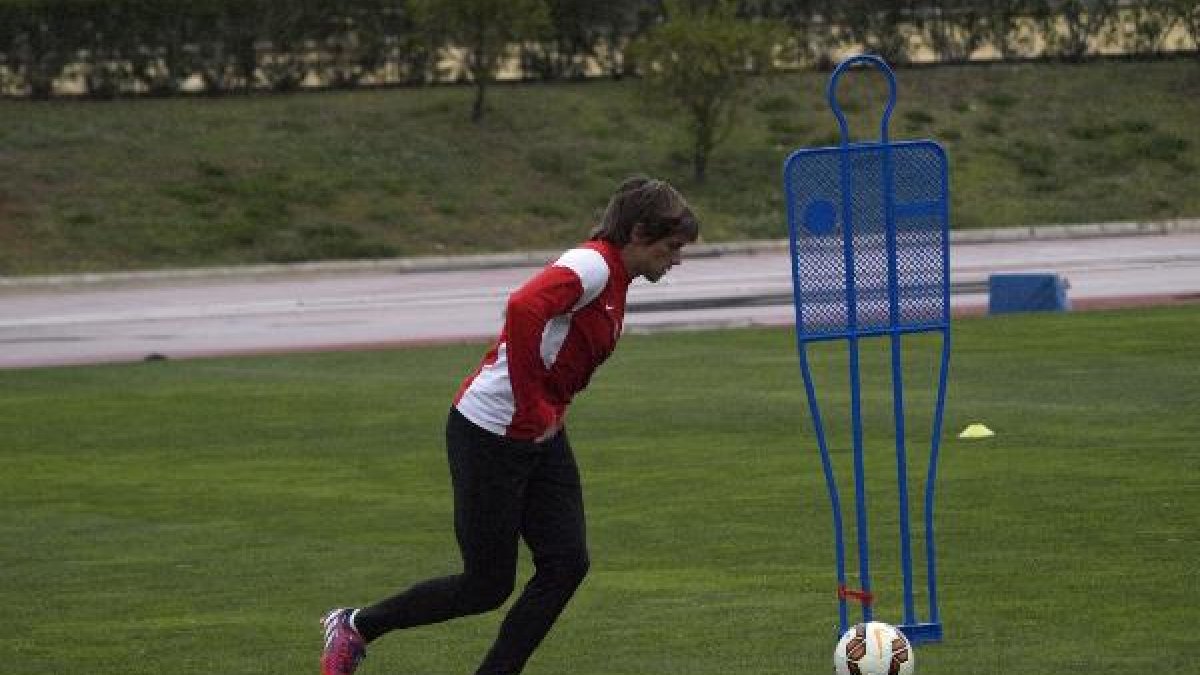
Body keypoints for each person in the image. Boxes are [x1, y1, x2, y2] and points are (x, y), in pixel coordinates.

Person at [320, 176, 700, 675]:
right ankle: (356, 625)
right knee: (486, 586)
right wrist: (531, 406)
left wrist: (544, 413)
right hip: (489, 432)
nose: (676, 259)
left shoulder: (618, 279)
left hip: (540, 435)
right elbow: (523, 308)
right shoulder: (592, 264)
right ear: (639, 232)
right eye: (672, 247)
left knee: (567, 563)